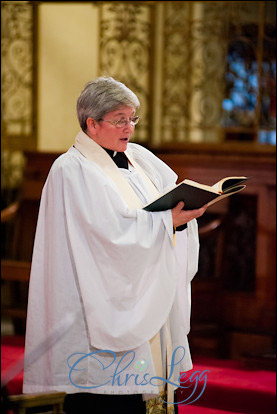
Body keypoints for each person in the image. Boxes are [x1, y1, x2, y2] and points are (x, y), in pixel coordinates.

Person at [23, 76, 206, 414]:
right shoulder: (72, 170)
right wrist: (167, 223)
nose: (129, 128)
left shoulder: (140, 160)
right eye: (120, 119)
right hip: (99, 309)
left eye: (132, 118)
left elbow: (165, 197)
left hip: (146, 295)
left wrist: (186, 214)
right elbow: (105, 236)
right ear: (92, 123)